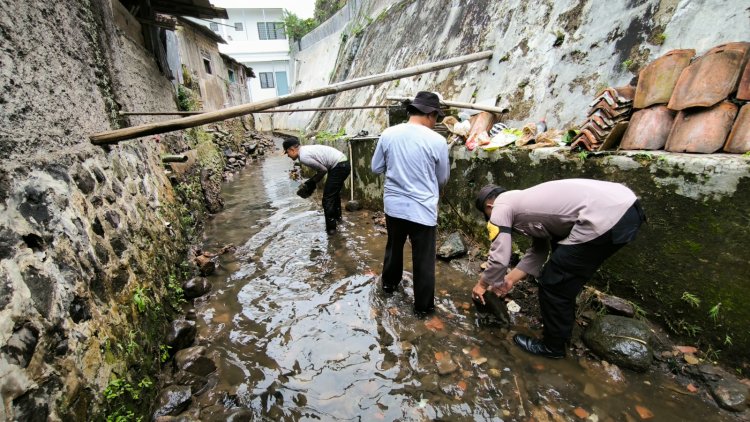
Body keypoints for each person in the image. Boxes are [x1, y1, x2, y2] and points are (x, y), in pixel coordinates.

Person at [473, 179, 646, 358]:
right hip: (626, 208)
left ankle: (553, 347)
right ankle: (563, 327)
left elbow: (499, 258)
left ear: (489, 205)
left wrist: (482, 285)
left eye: (487, 215)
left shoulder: (499, 208)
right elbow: (539, 251)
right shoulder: (522, 201)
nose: (491, 220)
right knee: (563, 270)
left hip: (606, 215)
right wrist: (509, 280)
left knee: (553, 283)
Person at [371, 91, 450, 316]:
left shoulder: (388, 134)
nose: (436, 123)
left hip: (394, 206)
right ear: (430, 114)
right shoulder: (438, 141)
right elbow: (442, 178)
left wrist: (397, 169)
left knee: (394, 248)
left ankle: (388, 286)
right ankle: (423, 309)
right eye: (437, 117)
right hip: (422, 210)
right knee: (423, 260)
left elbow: (376, 168)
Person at [283, 139, 350, 235]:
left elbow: (323, 170)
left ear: (292, 149)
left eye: (287, 152)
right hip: (342, 163)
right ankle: (338, 220)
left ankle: (331, 232)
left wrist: (311, 183)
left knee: (327, 199)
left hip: (340, 166)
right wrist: (311, 183)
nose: (288, 155)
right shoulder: (305, 150)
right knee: (333, 195)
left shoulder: (303, 156)